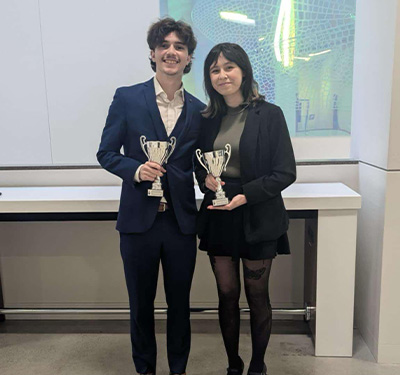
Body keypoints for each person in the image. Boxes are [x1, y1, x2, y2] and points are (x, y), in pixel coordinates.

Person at [97, 18, 204, 375]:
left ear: (188, 58)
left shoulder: (201, 109)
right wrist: (135, 170)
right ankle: (145, 370)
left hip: (180, 222)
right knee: (140, 305)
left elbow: (202, 164)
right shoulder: (127, 97)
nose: (171, 52)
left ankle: (178, 370)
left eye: (179, 47)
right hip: (138, 221)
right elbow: (107, 153)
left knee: (180, 305)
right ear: (153, 53)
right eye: (164, 45)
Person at [195, 43, 296, 375]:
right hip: (219, 212)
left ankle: (257, 364)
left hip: (258, 212)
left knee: (257, 296)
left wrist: (247, 195)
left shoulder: (270, 114)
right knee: (226, 294)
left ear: (243, 71)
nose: (222, 75)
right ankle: (233, 363)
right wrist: (206, 181)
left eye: (228, 67)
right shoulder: (207, 119)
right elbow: (200, 165)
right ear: (209, 78)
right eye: (214, 70)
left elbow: (285, 172)